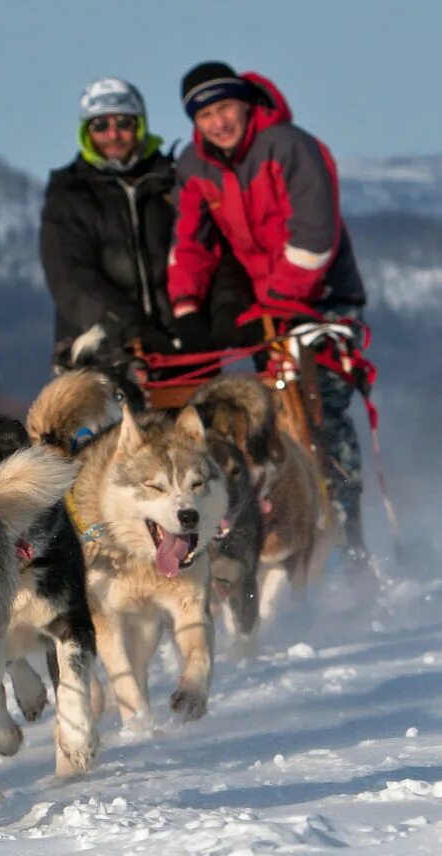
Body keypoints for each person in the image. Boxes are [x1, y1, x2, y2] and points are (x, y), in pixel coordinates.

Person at [168, 61, 371, 568]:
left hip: (321, 293)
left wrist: (283, 300)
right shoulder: (196, 166)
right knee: (274, 416)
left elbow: (314, 235)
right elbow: (190, 244)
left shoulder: (289, 146)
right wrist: (187, 306)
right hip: (268, 307)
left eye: (225, 108)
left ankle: (348, 523)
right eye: (206, 115)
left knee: (321, 403)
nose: (219, 122)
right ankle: (288, 522)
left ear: (244, 104)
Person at [40, 77, 253, 373]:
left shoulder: (173, 181)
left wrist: (223, 310)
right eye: (100, 126)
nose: (113, 135)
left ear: (140, 126)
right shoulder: (69, 193)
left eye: (124, 124)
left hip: (182, 348)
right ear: (86, 133)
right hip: (103, 352)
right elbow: (69, 277)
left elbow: (212, 249)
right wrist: (130, 328)